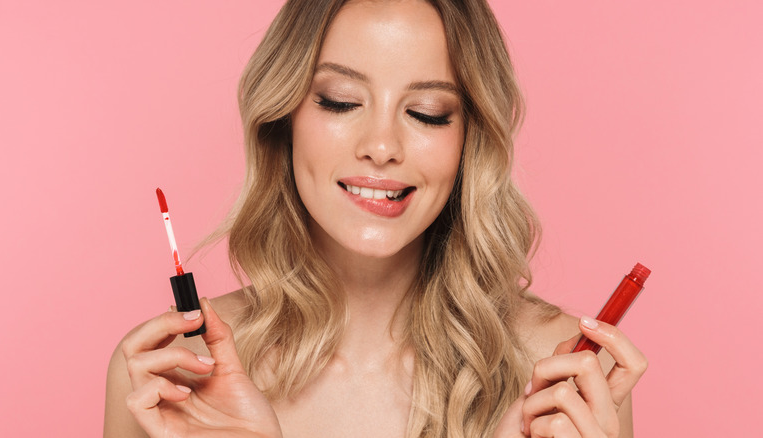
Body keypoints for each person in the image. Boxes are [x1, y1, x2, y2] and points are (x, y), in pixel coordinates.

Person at [104, 0, 647, 436]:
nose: (382, 146)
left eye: (426, 113)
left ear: (469, 139)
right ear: (283, 118)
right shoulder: (172, 376)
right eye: (340, 102)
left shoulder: (562, 377)